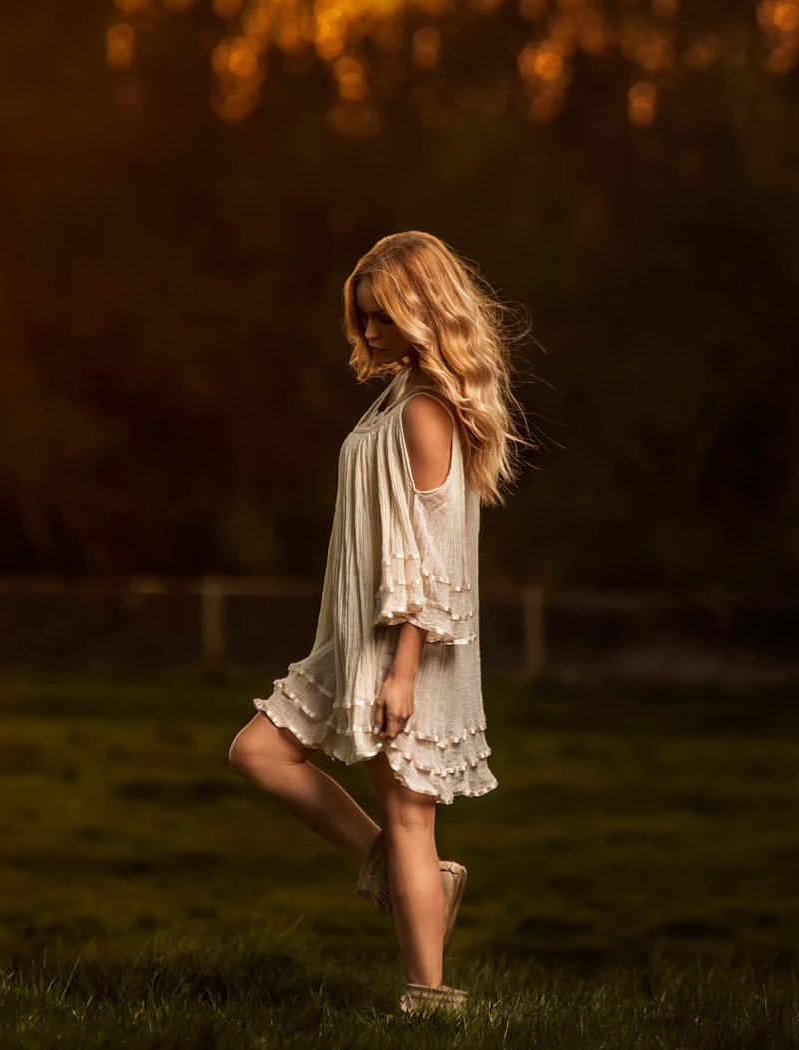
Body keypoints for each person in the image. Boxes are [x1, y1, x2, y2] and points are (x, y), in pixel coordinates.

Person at [227, 230, 531, 1018]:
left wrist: (402, 671)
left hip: (405, 647)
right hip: (355, 639)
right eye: (362, 318)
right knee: (258, 753)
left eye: (383, 318)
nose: (367, 334)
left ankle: (431, 998)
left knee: (408, 816)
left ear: (423, 313)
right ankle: (400, 872)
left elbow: (435, 561)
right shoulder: (396, 394)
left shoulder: (427, 411)